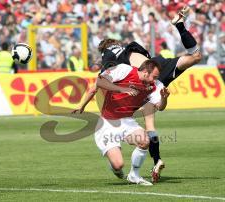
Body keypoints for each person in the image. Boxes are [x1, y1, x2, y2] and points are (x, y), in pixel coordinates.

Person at [73, 6, 202, 183]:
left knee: (148, 123)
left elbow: (98, 84)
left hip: (146, 78)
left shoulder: (110, 55)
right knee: (195, 57)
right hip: (154, 71)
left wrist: (83, 104)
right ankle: (180, 26)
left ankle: (152, 162)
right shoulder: (129, 48)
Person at [94, 60, 170, 185]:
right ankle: (115, 168)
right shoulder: (125, 70)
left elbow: (160, 107)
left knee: (145, 141)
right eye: (154, 76)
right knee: (118, 165)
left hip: (127, 121)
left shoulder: (155, 86)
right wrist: (121, 89)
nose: (155, 80)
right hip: (107, 122)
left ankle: (134, 175)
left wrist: (164, 98)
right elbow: (100, 81)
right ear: (145, 72)